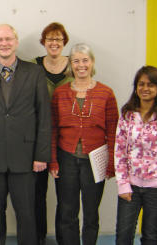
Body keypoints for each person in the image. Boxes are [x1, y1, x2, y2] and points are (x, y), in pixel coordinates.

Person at [0, 24, 51, 245]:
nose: (4, 44)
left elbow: (44, 116)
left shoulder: (34, 73)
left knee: (27, 214)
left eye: (8, 39)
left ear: (16, 41)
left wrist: (42, 154)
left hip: (25, 156)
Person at [49, 43, 118, 245]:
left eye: (85, 60)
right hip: (66, 158)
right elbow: (53, 129)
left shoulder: (106, 93)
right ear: (71, 64)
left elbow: (114, 131)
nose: (81, 65)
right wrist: (53, 161)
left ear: (92, 62)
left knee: (91, 212)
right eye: (76, 61)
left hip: (95, 160)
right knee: (67, 211)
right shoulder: (60, 93)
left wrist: (111, 163)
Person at [114, 66, 157, 245]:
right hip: (131, 187)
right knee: (123, 236)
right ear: (136, 88)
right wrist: (123, 184)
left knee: (150, 236)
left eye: (150, 85)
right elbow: (119, 151)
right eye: (141, 84)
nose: (145, 88)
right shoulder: (127, 114)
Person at [30, 22, 73, 245]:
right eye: (49, 39)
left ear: (64, 42)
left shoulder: (75, 66)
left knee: (65, 196)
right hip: (38, 140)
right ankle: (38, 237)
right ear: (43, 42)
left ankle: (64, 239)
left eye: (58, 39)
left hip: (66, 141)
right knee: (37, 195)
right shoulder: (33, 66)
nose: (54, 43)